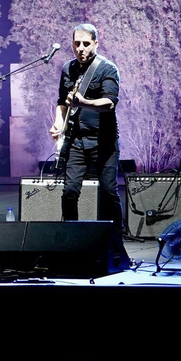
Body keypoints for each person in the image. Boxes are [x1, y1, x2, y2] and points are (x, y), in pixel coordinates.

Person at [49, 23, 121, 226]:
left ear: (96, 44)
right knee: (69, 192)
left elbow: (110, 102)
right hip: (76, 141)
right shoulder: (68, 69)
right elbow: (62, 102)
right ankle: (72, 240)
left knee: (108, 192)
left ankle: (114, 241)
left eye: (86, 43)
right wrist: (58, 124)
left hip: (103, 141)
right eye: (76, 43)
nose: (80, 48)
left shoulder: (107, 69)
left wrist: (85, 103)